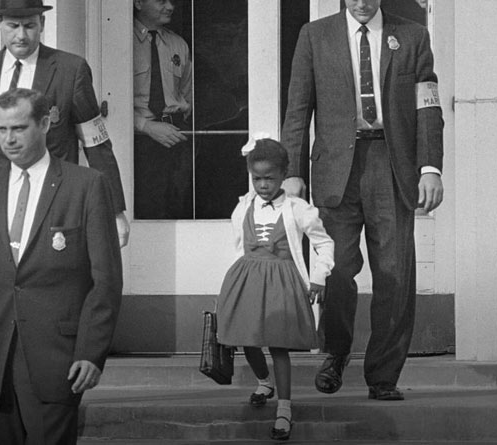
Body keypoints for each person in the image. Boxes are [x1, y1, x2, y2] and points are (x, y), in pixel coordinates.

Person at [0, 88, 123, 444]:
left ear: (46, 123)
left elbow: (107, 281)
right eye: (1, 130)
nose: (9, 139)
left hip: (57, 360)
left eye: (19, 128)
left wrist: (91, 351)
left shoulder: (86, 186)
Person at [281, 0, 444, 401]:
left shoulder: (413, 36)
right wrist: (292, 174)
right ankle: (336, 352)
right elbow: (298, 109)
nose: (361, 2)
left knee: (394, 273)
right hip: (336, 170)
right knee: (335, 269)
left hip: (393, 164)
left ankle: (383, 375)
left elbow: (429, 107)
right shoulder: (314, 37)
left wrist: (430, 168)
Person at [0, 0, 130, 247]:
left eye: (30, 26)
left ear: (42, 23)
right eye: (13, 26)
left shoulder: (70, 70)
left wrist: (115, 210)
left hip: (52, 208)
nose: (21, 35)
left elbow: (95, 143)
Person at [217, 137, 334, 441]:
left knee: (278, 344)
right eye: (257, 178)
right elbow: (238, 244)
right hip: (248, 277)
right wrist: (231, 286)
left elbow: (324, 242)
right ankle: (263, 381)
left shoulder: (298, 209)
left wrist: (319, 276)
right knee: (247, 338)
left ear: (284, 175)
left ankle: (284, 408)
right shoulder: (244, 206)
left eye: (270, 178)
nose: (263, 185)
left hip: (282, 280)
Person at [132, 0, 194, 219]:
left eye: (171, 1)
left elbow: (186, 94)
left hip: (175, 136)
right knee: (147, 209)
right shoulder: (122, 41)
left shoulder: (178, 45)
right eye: (161, 1)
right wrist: (145, 126)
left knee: (180, 206)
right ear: (138, 2)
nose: (170, 6)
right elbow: (110, 102)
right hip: (139, 141)